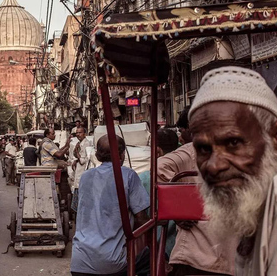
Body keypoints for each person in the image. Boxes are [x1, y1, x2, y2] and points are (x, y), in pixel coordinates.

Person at [186, 66, 277, 275]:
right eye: (203, 149)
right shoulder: (256, 212)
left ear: (274, 138)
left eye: (233, 143)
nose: (214, 165)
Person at [158, 105, 238, 276]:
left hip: (196, 251)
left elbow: (159, 167)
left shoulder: (191, 150)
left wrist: (182, 207)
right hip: (231, 253)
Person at [71, 135, 150, 275]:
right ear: (122, 154)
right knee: (152, 256)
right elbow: (141, 218)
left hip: (79, 260)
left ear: (97, 155)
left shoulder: (85, 177)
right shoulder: (128, 175)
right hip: (111, 263)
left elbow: (78, 210)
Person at [139, 128, 179, 259]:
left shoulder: (144, 179)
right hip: (182, 248)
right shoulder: (187, 175)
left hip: (155, 250)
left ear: (157, 151)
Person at [70, 127, 92, 212]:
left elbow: (83, 160)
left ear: (84, 134)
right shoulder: (79, 143)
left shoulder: (86, 144)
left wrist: (77, 153)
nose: (78, 135)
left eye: (80, 133)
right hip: (79, 172)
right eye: (77, 133)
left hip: (82, 172)